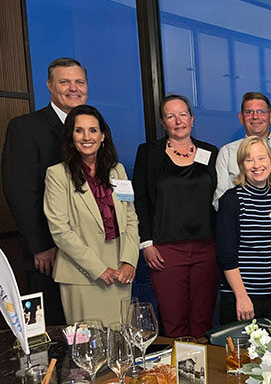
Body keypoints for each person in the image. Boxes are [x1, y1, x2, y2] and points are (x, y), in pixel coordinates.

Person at [2, 57, 87, 324]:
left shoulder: (91, 129)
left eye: (79, 82)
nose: (73, 88)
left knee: (86, 329)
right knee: (53, 330)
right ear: (50, 86)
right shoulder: (25, 127)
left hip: (90, 252)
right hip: (50, 254)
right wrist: (41, 246)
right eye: (65, 82)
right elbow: (20, 191)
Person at [132, 94, 220, 338]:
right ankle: (178, 373)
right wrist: (146, 243)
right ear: (163, 122)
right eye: (171, 116)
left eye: (182, 114)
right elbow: (140, 200)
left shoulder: (211, 152)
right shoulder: (149, 153)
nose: (178, 120)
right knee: (173, 320)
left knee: (204, 319)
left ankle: (203, 373)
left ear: (192, 119)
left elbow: (219, 198)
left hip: (206, 247)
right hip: (165, 250)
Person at [43, 105, 139, 325]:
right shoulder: (57, 175)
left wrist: (129, 261)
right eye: (79, 130)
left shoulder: (118, 170)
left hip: (120, 271)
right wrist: (98, 269)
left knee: (120, 345)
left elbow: (131, 218)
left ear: (103, 136)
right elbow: (60, 230)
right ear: (70, 137)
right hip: (81, 274)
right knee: (89, 350)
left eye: (93, 130)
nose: (87, 137)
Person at [216, 136, 271, 323]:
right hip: (242, 299)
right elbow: (226, 255)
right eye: (249, 160)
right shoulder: (231, 200)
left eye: (261, 158)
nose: (256, 165)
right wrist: (242, 297)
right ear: (241, 165)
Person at [213, 92, 271, 209]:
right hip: (240, 223)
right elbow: (219, 200)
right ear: (241, 118)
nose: (255, 116)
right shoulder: (227, 152)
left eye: (261, 111)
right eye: (249, 112)